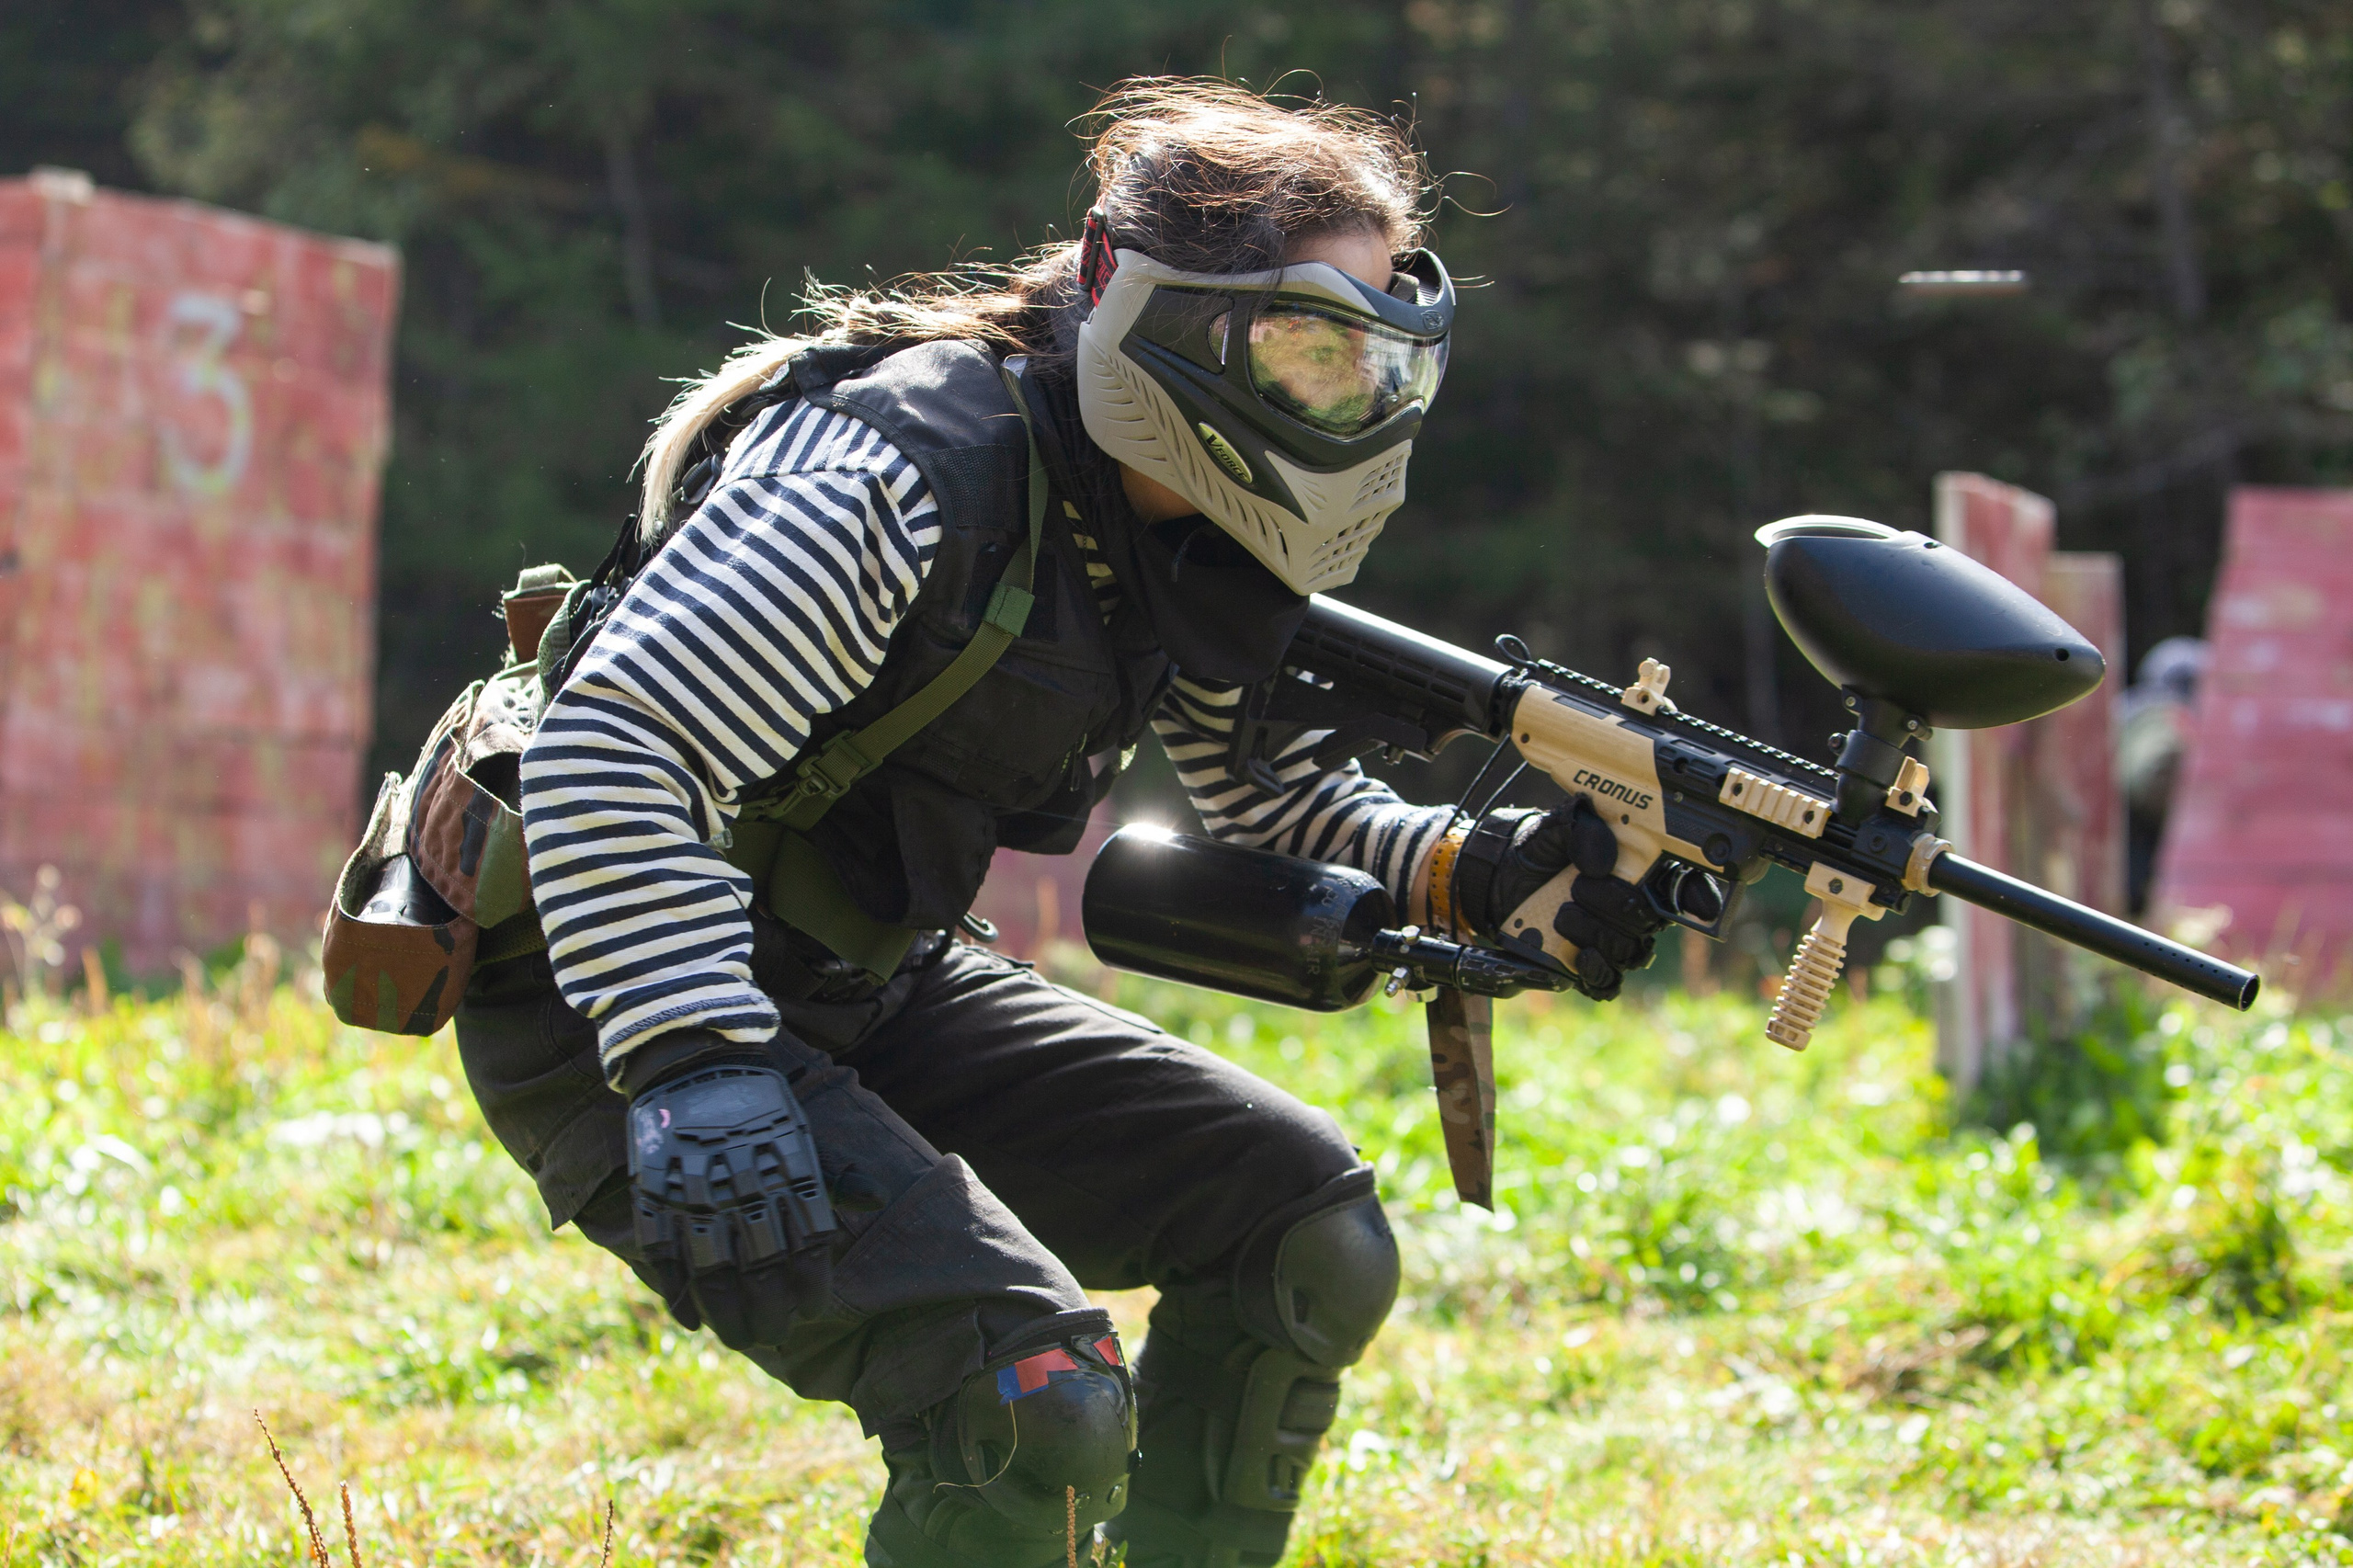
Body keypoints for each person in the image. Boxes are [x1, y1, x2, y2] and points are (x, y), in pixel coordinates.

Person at [453, 77, 1667, 1568]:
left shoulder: (1184, 523)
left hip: (861, 981)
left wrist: (1479, 870)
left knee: (1301, 1226)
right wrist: (694, 1052)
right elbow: (618, 745)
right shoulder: (902, 474)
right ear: (1136, 296)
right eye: (1302, 350)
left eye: (1371, 369)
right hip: (619, 1001)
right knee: (1037, 1397)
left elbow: (1272, 790)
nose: (1339, 406)